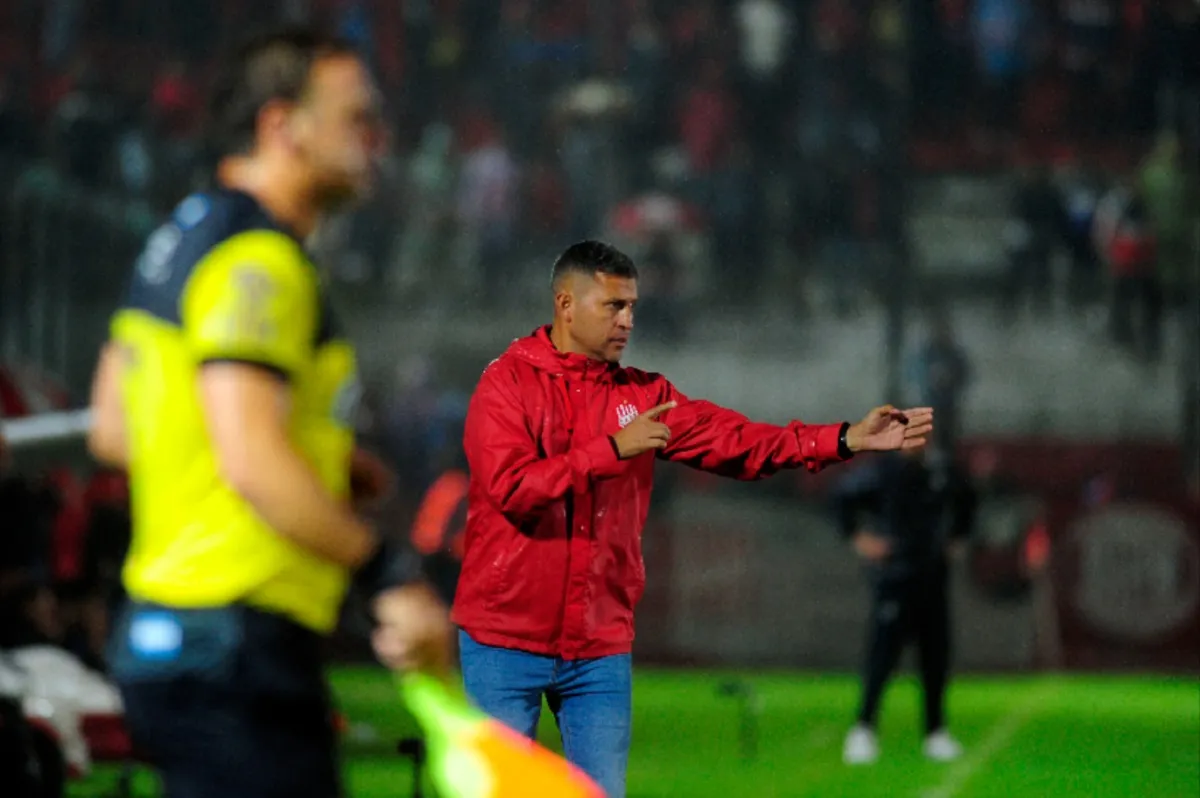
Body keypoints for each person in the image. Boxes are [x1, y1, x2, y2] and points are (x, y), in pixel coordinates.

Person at [85, 28, 451, 798]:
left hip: (171, 634)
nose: (376, 139)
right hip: (236, 645)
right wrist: (386, 573)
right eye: (357, 117)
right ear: (282, 126)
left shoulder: (182, 236)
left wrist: (319, 459)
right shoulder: (260, 261)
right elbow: (250, 457)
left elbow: (114, 427)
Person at [453, 240, 935, 797]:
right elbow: (512, 488)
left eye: (633, 306)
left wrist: (845, 438)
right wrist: (612, 448)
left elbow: (739, 443)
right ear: (565, 305)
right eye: (614, 306)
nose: (628, 321)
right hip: (504, 639)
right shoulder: (506, 384)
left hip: (597, 644)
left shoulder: (645, 395)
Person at [833, 445, 977, 766]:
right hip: (895, 577)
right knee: (882, 657)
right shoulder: (881, 471)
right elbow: (842, 497)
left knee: (935, 658)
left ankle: (935, 732)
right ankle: (863, 728)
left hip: (933, 578)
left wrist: (957, 538)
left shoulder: (940, 471)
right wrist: (860, 539)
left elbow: (968, 500)